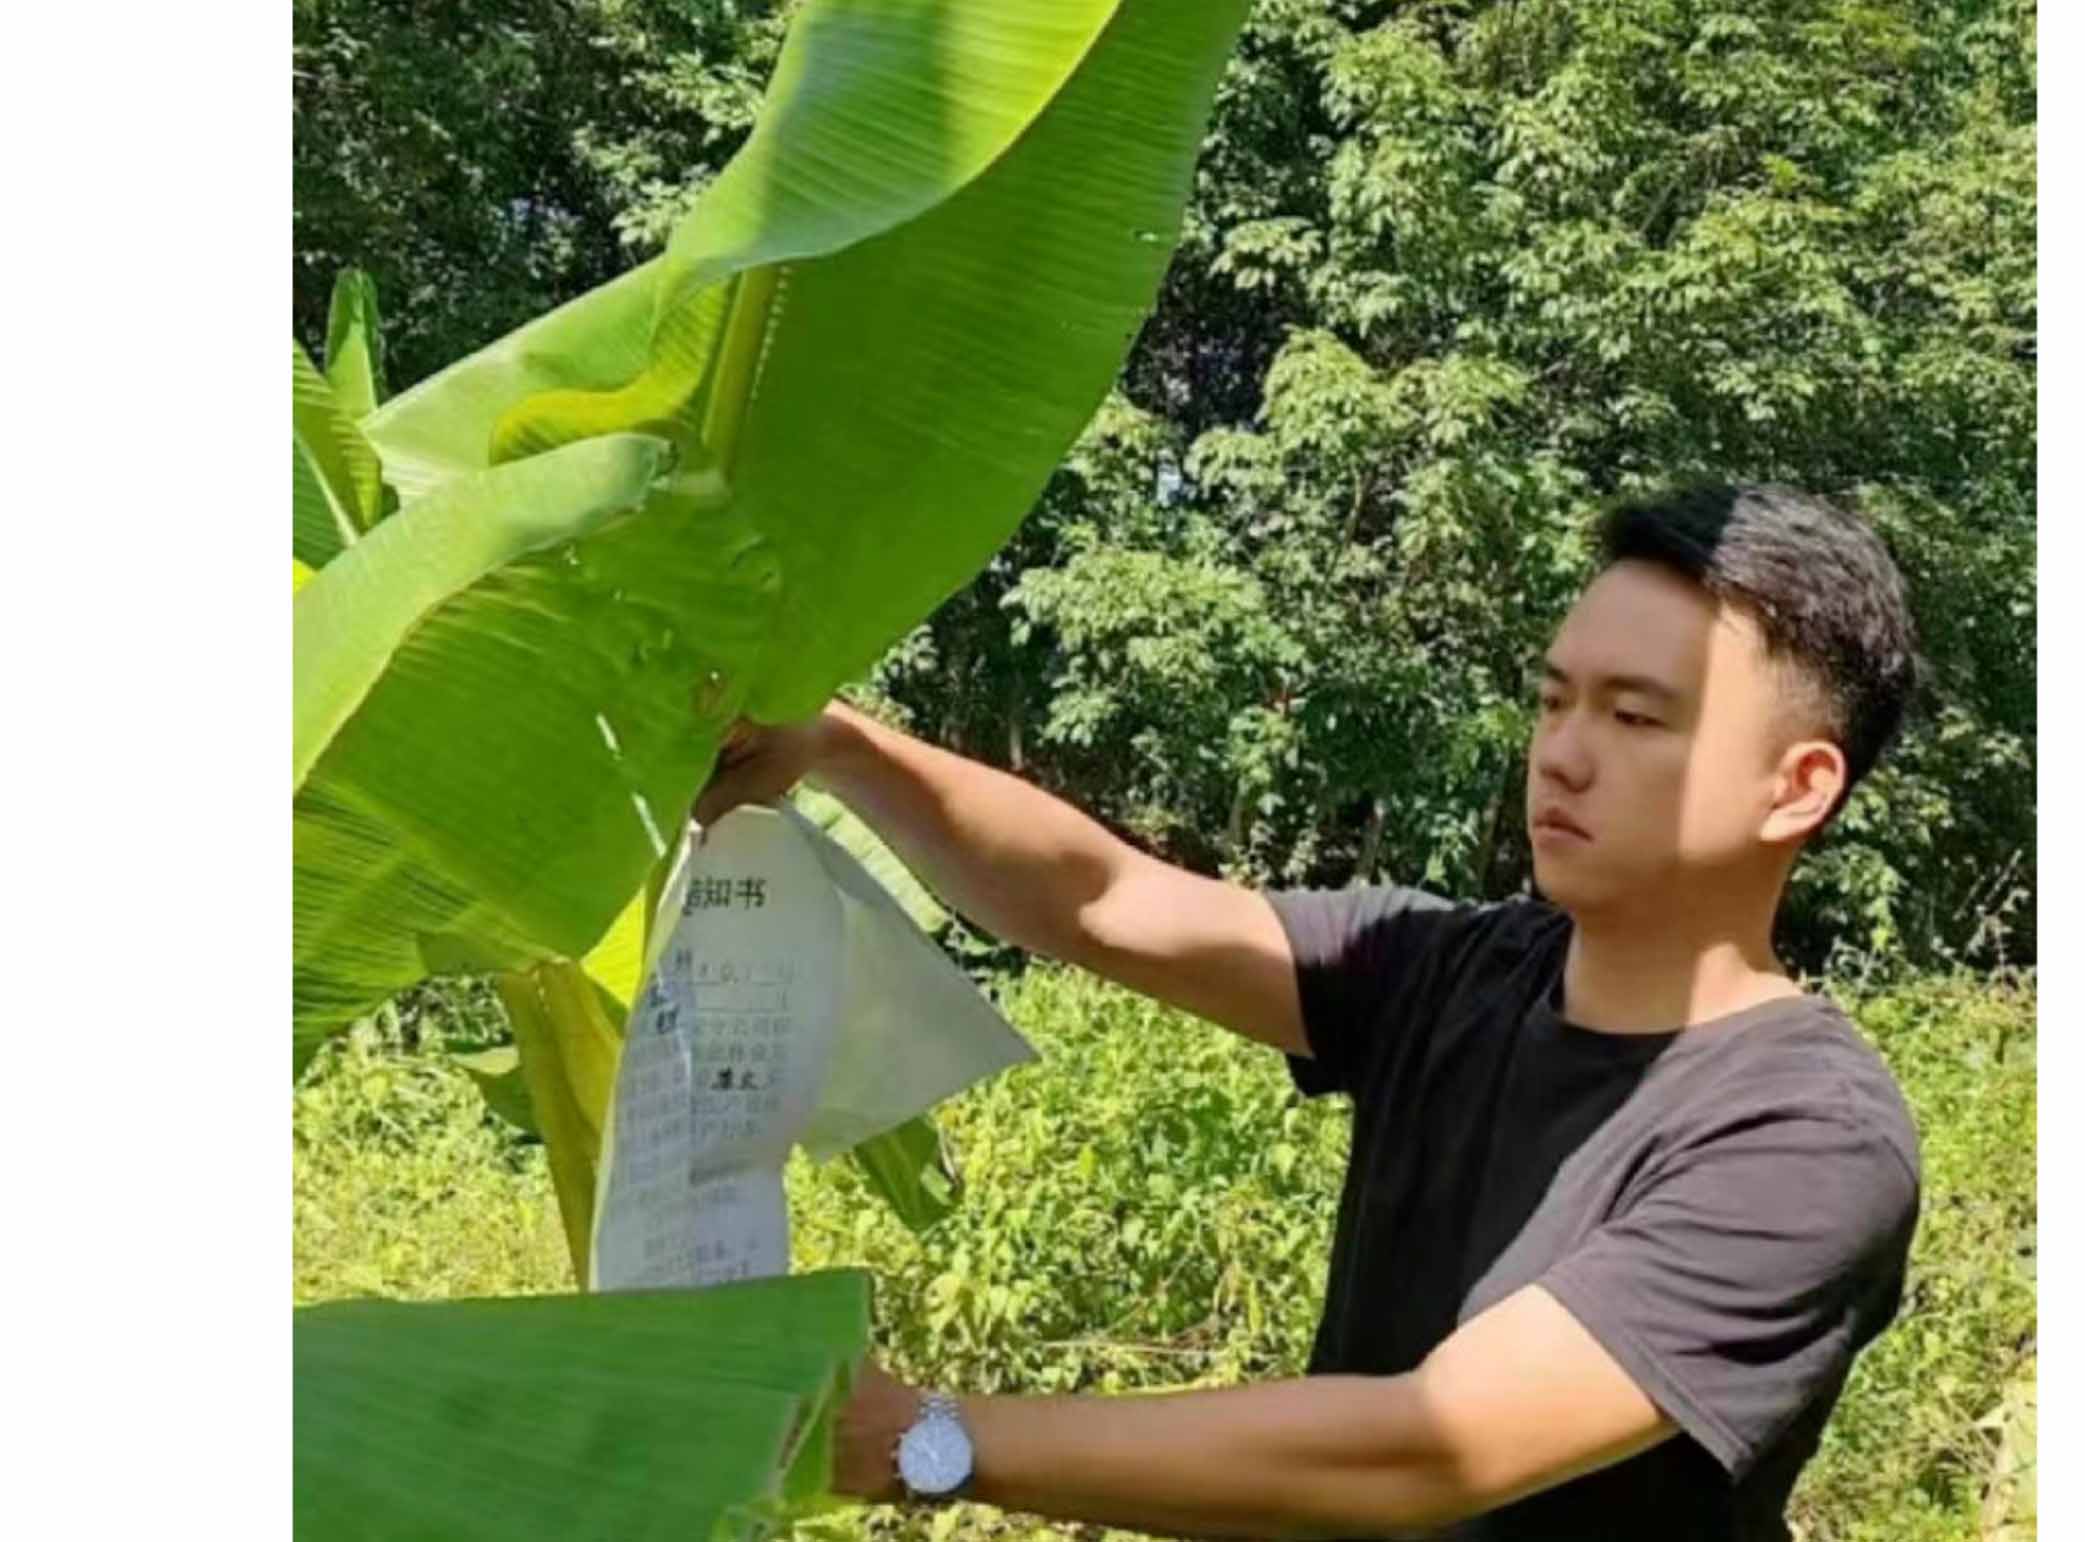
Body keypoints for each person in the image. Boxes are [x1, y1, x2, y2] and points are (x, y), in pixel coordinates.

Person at [694, 482, 1925, 1541]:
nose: (1563, 753)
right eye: (1556, 701)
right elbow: (1104, 900)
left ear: (1796, 787)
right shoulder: (1452, 972)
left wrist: (928, 1438)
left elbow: (1425, 1451)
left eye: (1635, 715)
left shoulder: (1806, 1141)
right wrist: (839, 747)